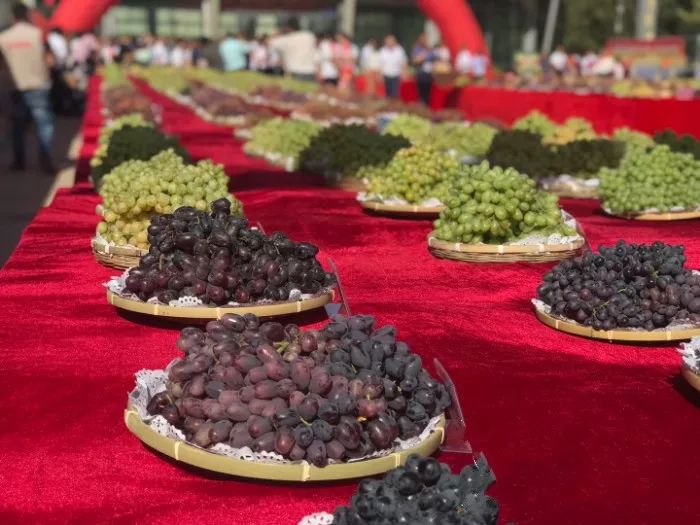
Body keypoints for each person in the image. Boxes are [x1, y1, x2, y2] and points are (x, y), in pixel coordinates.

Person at [0, 2, 54, 172]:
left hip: (15, 87)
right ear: (28, 15)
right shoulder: (39, 34)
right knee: (44, 123)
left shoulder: (3, 37)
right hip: (38, 84)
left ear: (13, 16)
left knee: (17, 125)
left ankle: (19, 161)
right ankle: (45, 159)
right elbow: (51, 59)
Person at [270, 17, 316, 81]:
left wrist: (278, 32)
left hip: (294, 72)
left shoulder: (285, 39)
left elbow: (270, 42)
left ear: (288, 27)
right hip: (310, 72)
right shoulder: (309, 36)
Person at [379, 35, 406, 99]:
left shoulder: (399, 50)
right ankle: (388, 107)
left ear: (394, 41)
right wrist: (380, 75)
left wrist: (404, 73)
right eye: (388, 41)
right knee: (387, 93)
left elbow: (403, 62)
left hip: (396, 74)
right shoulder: (383, 50)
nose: (390, 42)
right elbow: (381, 64)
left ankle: (394, 107)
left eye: (391, 41)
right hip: (386, 74)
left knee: (395, 93)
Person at [411, 33, 435, 105]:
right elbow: (415, 61)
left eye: (426, 39)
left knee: (429, 95)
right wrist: (422, 57)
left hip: (430, 75)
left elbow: (435, 59)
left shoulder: (430, 49)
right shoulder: (416, 49)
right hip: (421, 75)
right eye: (423, 39)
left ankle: (427, 107)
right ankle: (422, 107)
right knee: (422, 94)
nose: (425, 41)